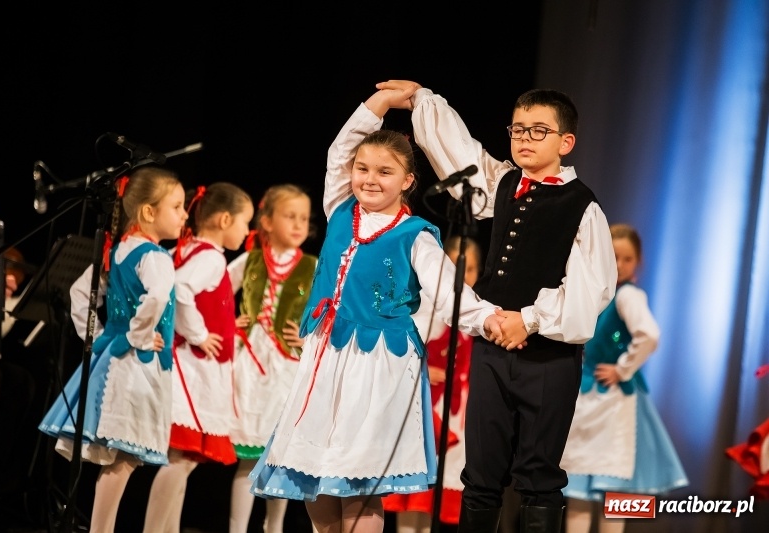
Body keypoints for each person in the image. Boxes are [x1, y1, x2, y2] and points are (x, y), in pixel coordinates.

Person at [248, 85, 509, 533]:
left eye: (385, 172)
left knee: (358, 480)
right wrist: (380, 105)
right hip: (326, 357)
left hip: (378, 364)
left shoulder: (416, 235)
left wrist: (486, 318)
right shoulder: (339, 207)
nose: (369, 178)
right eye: (362, 168)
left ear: (408, 181)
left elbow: (448, 293)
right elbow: (339, 150)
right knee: (316, 475)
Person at [377, 79, 618, 532]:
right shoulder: (502, 183)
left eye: (538, 131)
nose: (525, 138)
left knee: (538, 476)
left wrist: (528, 320)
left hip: (549, 357)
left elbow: (593, 288)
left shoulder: (582, 206)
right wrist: (423, 100)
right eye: (518, 129)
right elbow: (459, 154)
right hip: (492, 350)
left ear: (566, 141)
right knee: (481, 474)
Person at [38, 165, 187, 533]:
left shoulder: (118, 250)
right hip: (138, 366)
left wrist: (101, 336)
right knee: (124, 456)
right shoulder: (155, 257)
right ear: (148, 212)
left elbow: (79, 295)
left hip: (114, 360)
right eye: (178, 206)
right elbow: (156, 297)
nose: (185, 215)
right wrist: (138, 335)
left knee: (121, 458)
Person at [560, 223, 688, 533]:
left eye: (627, 259)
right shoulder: (598, 296)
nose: (619, 265)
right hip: (588, 399)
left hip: (614, 404)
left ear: (638, 263)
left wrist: (623, 368)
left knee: (612, 493)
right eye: (613, 257)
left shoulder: (628, 296)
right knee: (578, 492)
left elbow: (649, 335)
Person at [142, 182, 254, 532]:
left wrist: (222, 323)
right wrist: (201, 334)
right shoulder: (209, 256)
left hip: (194, 366)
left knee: (184, 459)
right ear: (223, 220)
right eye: (244, 222)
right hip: (191, 369)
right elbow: (179, 289)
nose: (247, 232)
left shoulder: (192, 248)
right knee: (181, 459)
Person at [227, 184, 317, 533]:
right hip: (250, 364)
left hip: (286, 369)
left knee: (279, 459)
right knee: (249, 458)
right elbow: (215, 291)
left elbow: (327, 312)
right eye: (289, 216)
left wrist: (306, 337)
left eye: (304, 218)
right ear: (266, 221)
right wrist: (227, 322)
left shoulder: (312, 266)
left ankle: (273, 527)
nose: (298, 224)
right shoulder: (249, 259)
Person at [382, 235, 483, 532]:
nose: (464, 274)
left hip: (456, 413)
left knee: (435, 495)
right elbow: (402, 345)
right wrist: (422, 366)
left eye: (472, 268)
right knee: (414, 485)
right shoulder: (426, 304)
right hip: (425, 406)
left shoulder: (476, 307)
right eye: (453, 266)